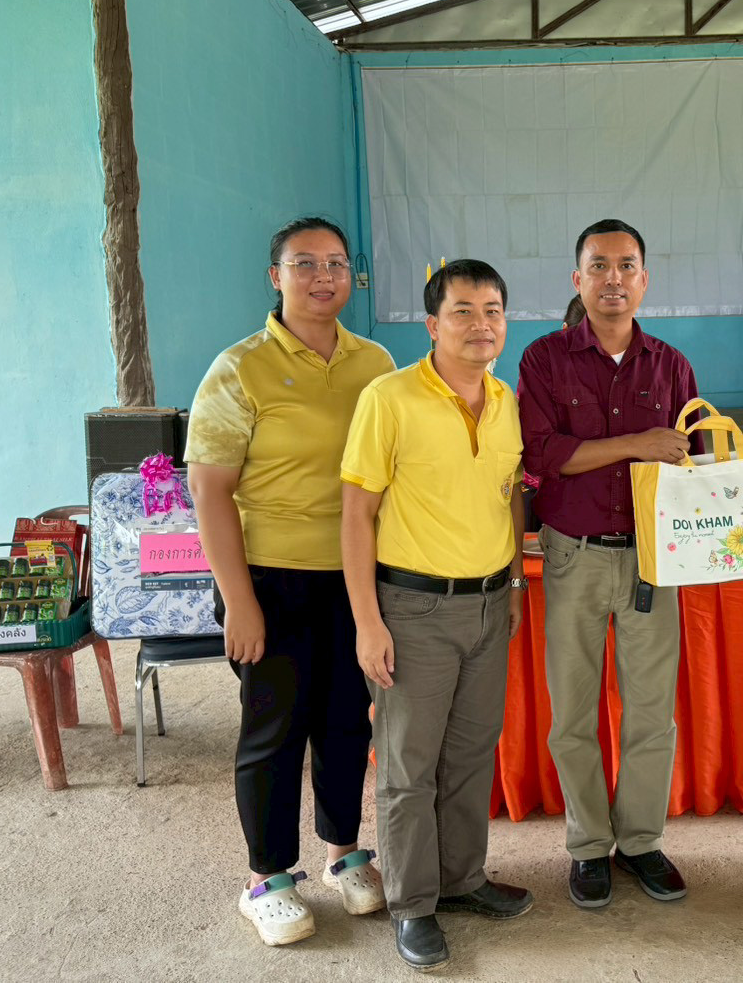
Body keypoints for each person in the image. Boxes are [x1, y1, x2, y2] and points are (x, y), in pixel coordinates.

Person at [187, 216, 394, 946]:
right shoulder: (239, 368)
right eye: (304, 263)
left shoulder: (375, 363)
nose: (322, 277)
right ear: (275, 278)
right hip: (269, 579)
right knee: (274, 729)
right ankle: (266, 878)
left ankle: (343, 854)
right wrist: (239, 601)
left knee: (345, 721)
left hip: (355, 576)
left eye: (335, 263)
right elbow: (209, 491)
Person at [340, 259, 532, 972]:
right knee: (408, 766)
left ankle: (462, 879)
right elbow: (356, 514)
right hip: (413, 608)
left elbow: (510, 492)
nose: (480, 325)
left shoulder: (505, 400)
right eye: (462, 311)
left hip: (489, 603)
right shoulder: (388, 398)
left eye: (492, 311)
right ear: (431, 323)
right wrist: (368, 621)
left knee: (472, 753)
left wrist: (515, 582)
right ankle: (412, 903)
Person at [517, 218, 699, 909]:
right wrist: (637, 443)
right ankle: (589, 846)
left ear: (644, 280)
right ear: (578, 279)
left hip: (655, 557)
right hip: (574, 554)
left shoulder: (672, 366)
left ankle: (641, 841)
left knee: (651, 711)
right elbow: (542, 455)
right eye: (599, 265)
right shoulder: (544, 359)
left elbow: (692, 458)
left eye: (626, 266)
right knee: (572, 709)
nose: (613, 278)